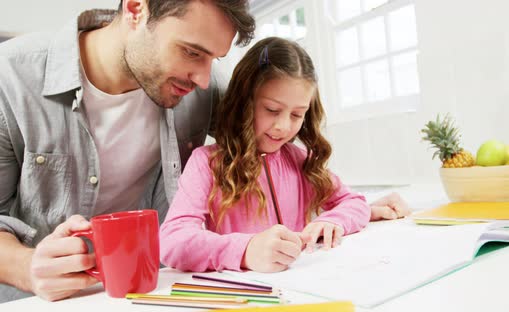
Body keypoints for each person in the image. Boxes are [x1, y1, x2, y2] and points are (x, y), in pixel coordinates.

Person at [0, 0, 255, 302]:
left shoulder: (202, 86)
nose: (202, 78)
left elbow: (273, 136)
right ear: (136, 10)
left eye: (214, 59)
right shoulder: (11, 78)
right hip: (41, 301)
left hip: (154, 292)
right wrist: (28, 267)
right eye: (191, 52)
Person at [159, 37, 405, 274]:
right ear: (245, 101)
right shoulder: (207, 163)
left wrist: (334, 221)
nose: (284, 127)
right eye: (272, 109)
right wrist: (246, 250)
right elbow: (172, 242)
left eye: (297, 114)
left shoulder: (299, 160)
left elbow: (353, 202)